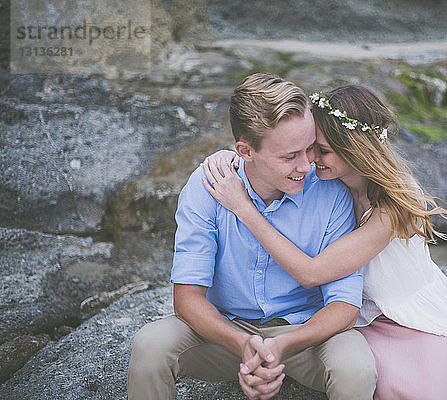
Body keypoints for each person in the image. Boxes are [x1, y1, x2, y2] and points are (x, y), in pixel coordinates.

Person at [202, 85, 447, 400]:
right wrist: (235, 158)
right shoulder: (330, 182)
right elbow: (267, 156)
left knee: (416, 393)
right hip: (363, 321)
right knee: (368, 377)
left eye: (320, 150)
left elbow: (312, 273)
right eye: (310, 147)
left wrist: (243, 208)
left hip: (411, 320)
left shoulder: (391, 205)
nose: (310, 160)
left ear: (354, 149)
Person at [127, 75, 377, 400]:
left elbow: (343, 305)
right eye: (290, 156)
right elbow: (187, 299)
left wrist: (283, 344)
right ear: (245, 150)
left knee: (356, 367)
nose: (306, 165)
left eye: (310, 148)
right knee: (151, 346)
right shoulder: (207, 187)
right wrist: (242, 344)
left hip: (305, 333)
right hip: (225, 331)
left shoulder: (331, 192)